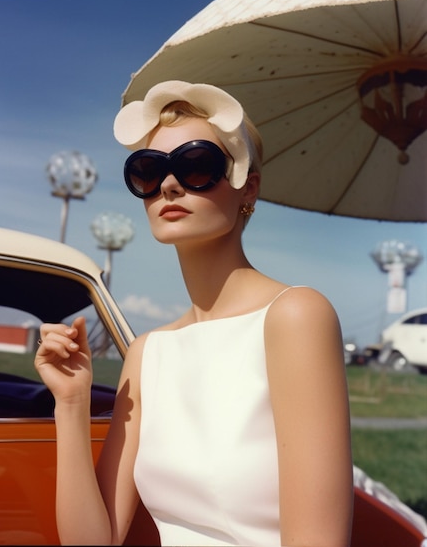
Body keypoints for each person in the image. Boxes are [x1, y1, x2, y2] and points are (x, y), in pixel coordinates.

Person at [35, 80, 354, 546]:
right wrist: (69, 403)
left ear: (250, 188)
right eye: (148, 170)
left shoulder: (294, 317)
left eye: (196, 165)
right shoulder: (148, 353)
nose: (167, 184)